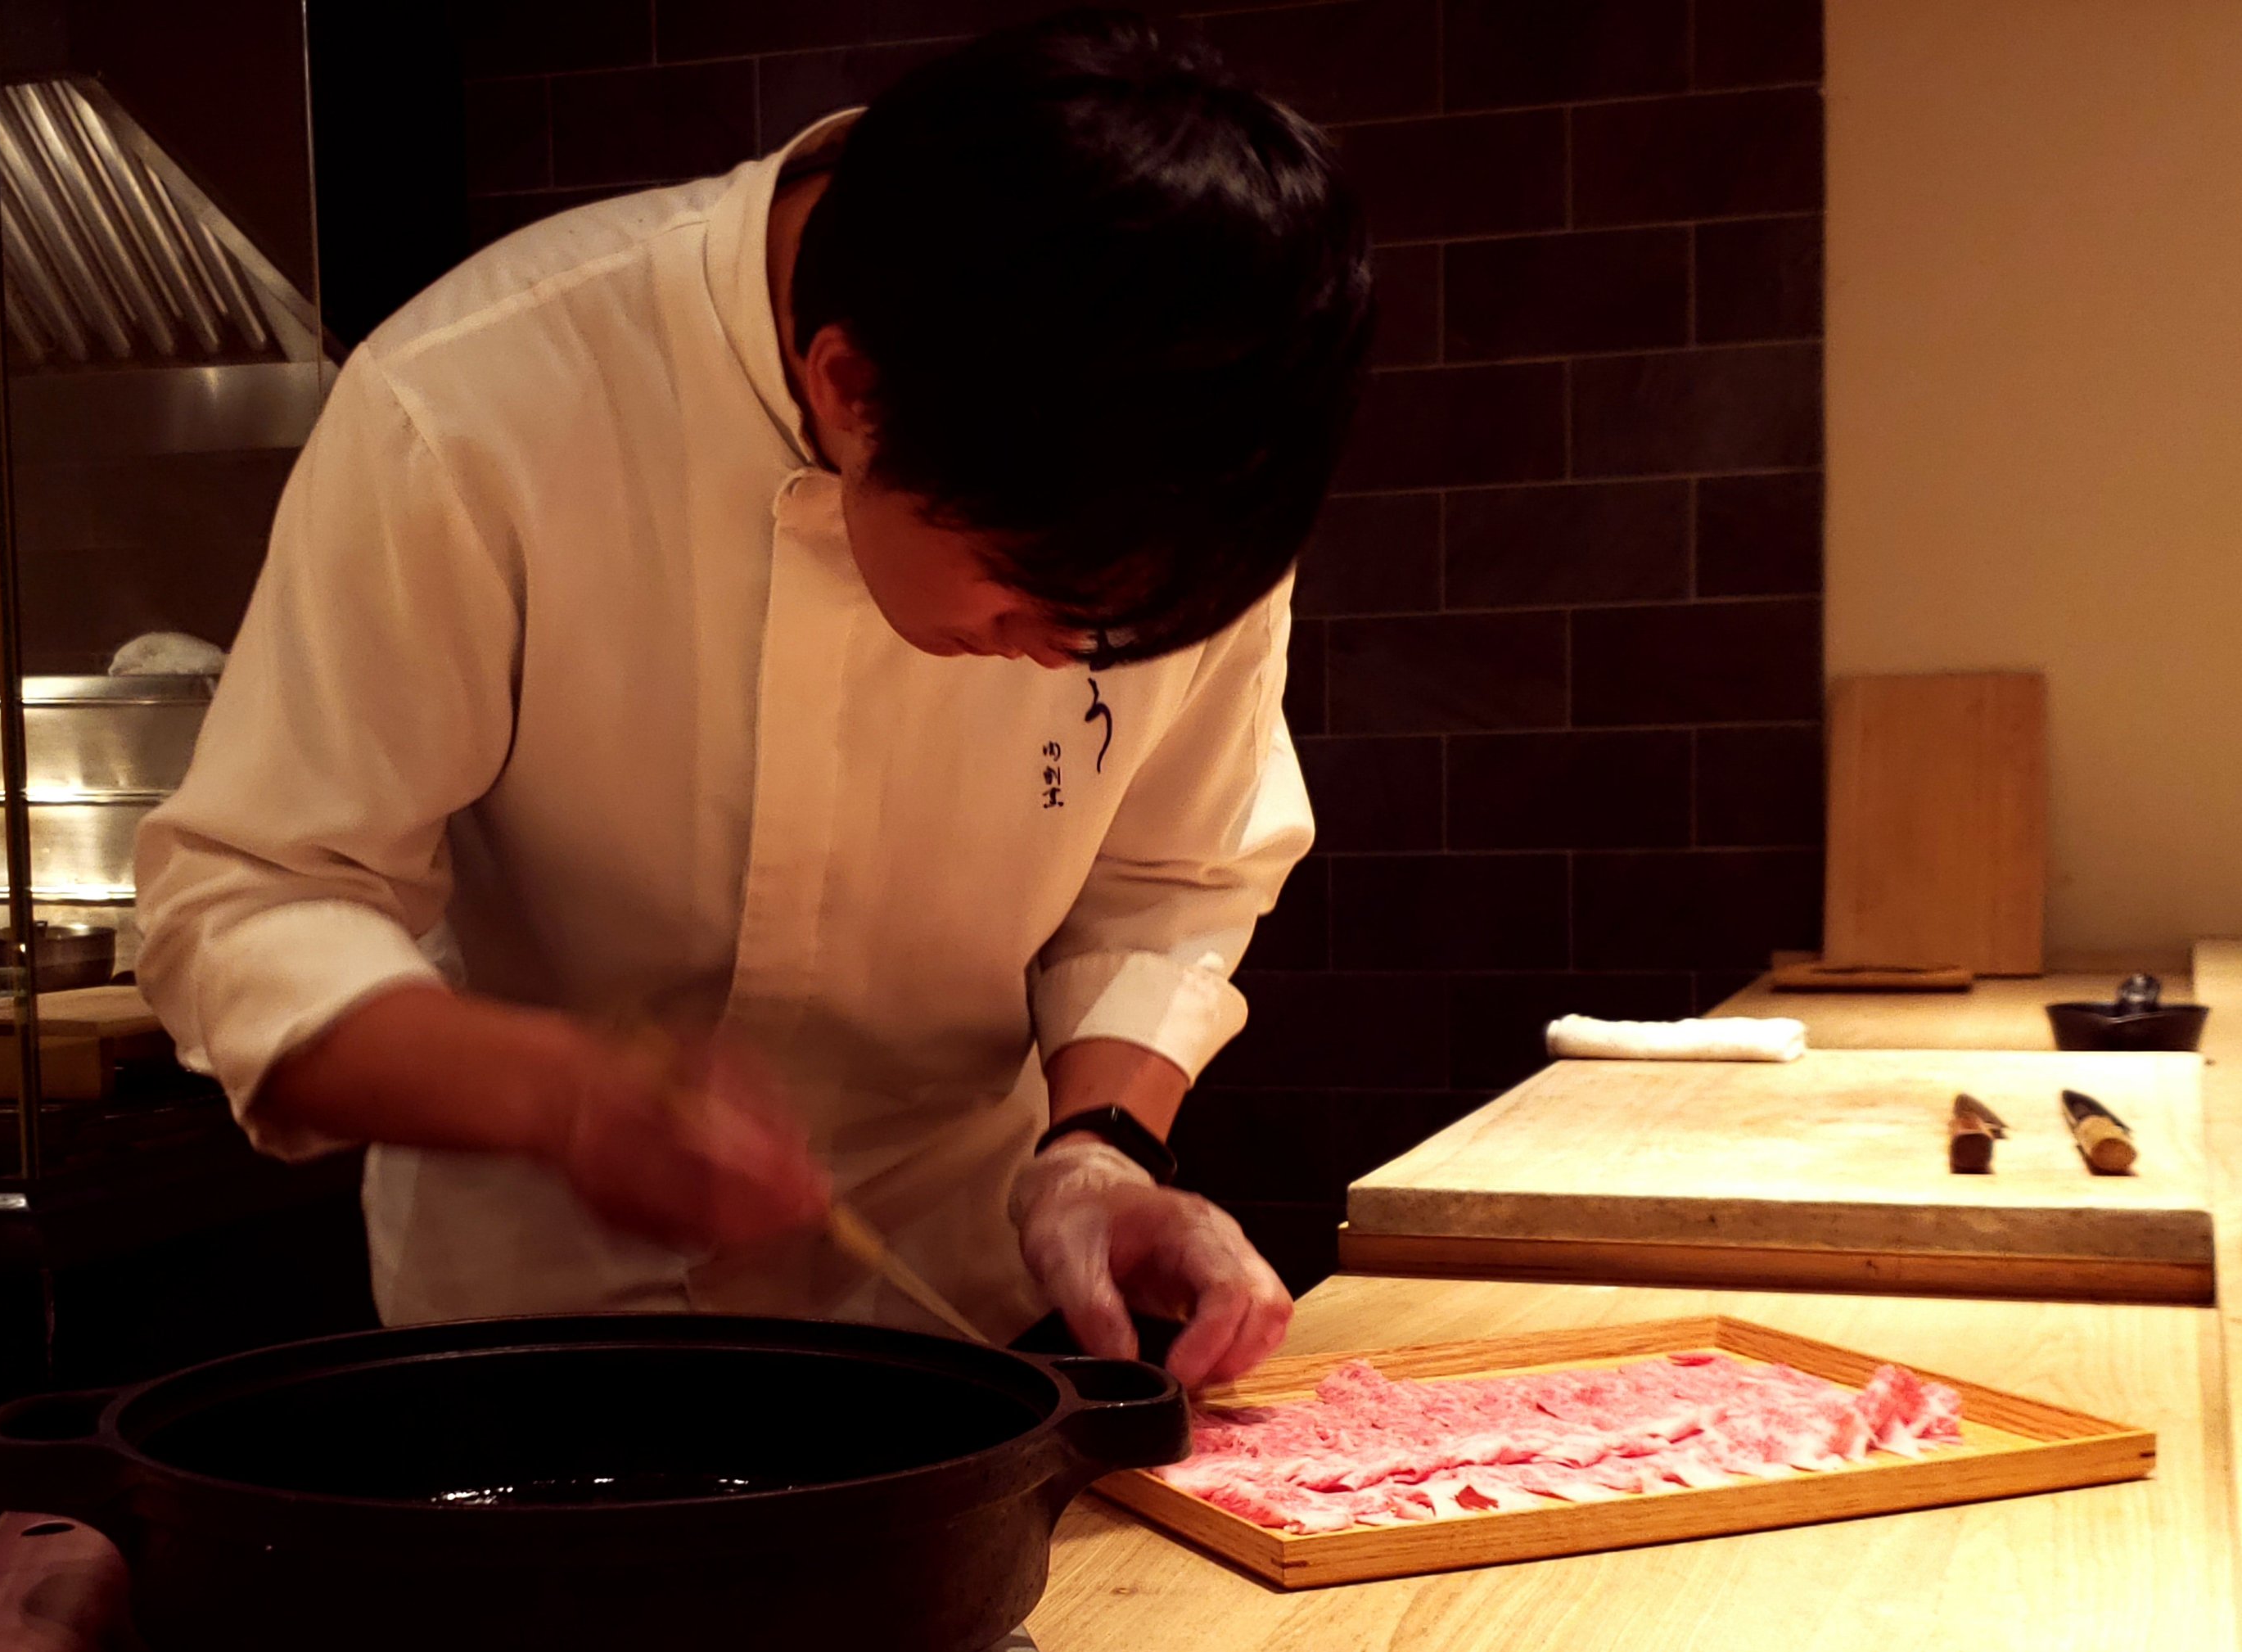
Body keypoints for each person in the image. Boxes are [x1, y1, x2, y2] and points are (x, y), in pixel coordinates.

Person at [134, 9, 1373, 1388]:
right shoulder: (475, 407)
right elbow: (251, 899)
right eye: (1030, 595)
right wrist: (564, 1094)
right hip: (543, 1348)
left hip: (966, 1324)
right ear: (850, 388)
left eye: (1124, 636)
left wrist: (1100, 1151)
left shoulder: (1189, 474)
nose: (1073, 659)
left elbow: (1172, 875)